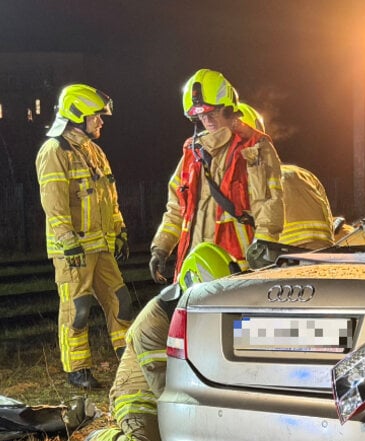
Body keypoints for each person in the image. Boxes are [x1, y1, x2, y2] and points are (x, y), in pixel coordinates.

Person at [66, 243, 237, 441]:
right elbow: (165, 388)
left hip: (177, 392)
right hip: (139, 395)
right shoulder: (154, 323)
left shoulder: (202, 312)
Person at [35, 84, 133, 390]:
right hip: (73, 250)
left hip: (101, 245)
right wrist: (67, 240)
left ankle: (129, 361)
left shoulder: (93, 151)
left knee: (122, 302)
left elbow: (109, 196)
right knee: (76, 310)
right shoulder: (54, 151)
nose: (101, 122)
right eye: (96, 117)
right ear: (78, 117)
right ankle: (77, 369)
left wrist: (120, 230)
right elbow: (54, 203)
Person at [149, 69, 284, 284]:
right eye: (201, 115)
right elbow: (176, 208)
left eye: (212, 113)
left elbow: (270, 200)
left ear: (228, 109)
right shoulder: (192, 153)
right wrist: (161, 247)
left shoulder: (255, 147)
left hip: (238, 265)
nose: (207, 120)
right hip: (194, 264)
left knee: (235, 319)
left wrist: (265, 242)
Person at [235, 103, 335, 249]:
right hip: (323, 248)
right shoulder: (303, 174)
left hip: (281, 254)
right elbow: (327, 215)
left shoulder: (247, 183)